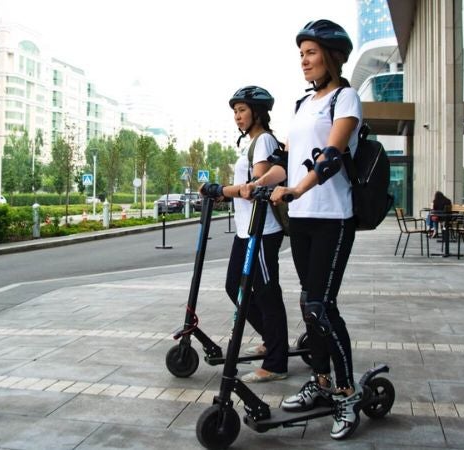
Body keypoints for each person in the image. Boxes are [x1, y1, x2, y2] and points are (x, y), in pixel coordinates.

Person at [262, 19, 363, 440]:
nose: (303, 61)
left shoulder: (345, 98)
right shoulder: (303, 105)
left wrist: (297, 188)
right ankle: (320, 382)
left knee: (322, 305)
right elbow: (290, 158)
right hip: (302, 220)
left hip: (333, 217)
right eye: (300, 54)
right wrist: (259, 183)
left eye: (311, 52)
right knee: (308, 305)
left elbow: (331, 155)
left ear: (332, 56)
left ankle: (346, 392)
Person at [201, 86, 289, 383]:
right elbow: (244, 188)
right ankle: (271, 337)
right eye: (235, 111)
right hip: (246, 231)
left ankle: (276, 362)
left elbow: (255, 189)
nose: (237, 116)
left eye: (242, 110)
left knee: (266, 292)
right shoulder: (251, 143)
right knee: (233, 285)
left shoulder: (263, 141)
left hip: (262, 231)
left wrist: (223, 190)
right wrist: (225, 195)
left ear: (257, 112)